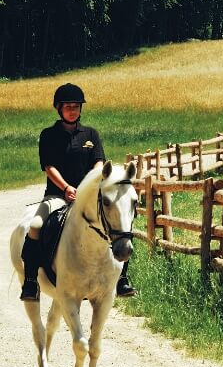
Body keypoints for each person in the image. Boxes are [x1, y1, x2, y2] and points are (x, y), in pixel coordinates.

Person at [19, 82, 136, 301]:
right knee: (35, 226)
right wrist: (66, 188)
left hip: (88, 196)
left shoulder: (91, 134)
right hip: (57, 195)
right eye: (68, 106)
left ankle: (121, 279)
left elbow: (99, 164)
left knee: (120, 222)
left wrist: (86, 189)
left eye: (76, 106)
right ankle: (31, 281)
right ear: (58, 108)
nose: (72, 110)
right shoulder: (48, 135)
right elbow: (49, 167)